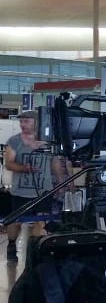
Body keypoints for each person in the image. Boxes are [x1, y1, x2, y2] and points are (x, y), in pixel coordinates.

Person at [4, 110, 68, 261]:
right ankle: (11, 244)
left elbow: (55, 163)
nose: (22, 124)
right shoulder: (14, 141)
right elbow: (9, 163)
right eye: (21, 121)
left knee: (42, 221)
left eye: (26, 121)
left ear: (37, 122)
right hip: (20, 191)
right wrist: (24, 168)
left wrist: (60, 183)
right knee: (16, 223)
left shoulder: (49, 142)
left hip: (43, 191)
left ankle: (38, 252)